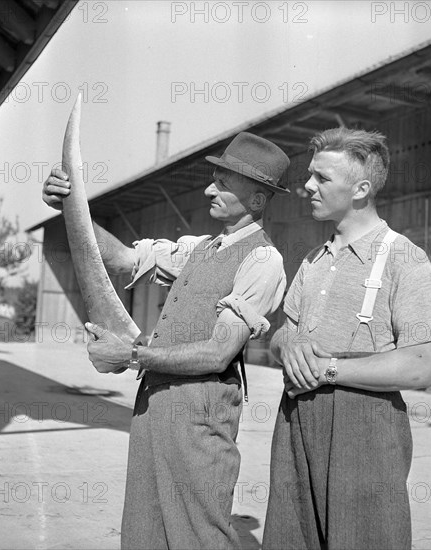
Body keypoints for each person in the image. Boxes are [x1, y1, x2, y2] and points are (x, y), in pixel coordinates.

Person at [42, 132, 290, 550]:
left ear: (257, 201)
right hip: (153, 410)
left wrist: (133, 355)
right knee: (145, 529)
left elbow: (219, 352)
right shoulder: (198, 248)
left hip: (200, 418)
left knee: (199, 534)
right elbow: (121, 258)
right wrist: (72, 207)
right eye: (214, 178)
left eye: (224, 184)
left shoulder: (264, 260)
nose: (209, 188)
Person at [262, 127, 431, 550]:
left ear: (361, 189)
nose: (306, 186)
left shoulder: (405, 257)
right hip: (296, 420)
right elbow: (281, 333)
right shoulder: (313, 259)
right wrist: (288, 345)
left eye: (322, 178)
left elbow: (420, 366)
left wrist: (326, 370)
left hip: (365, 427)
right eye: (310, 175)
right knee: (291, 536)